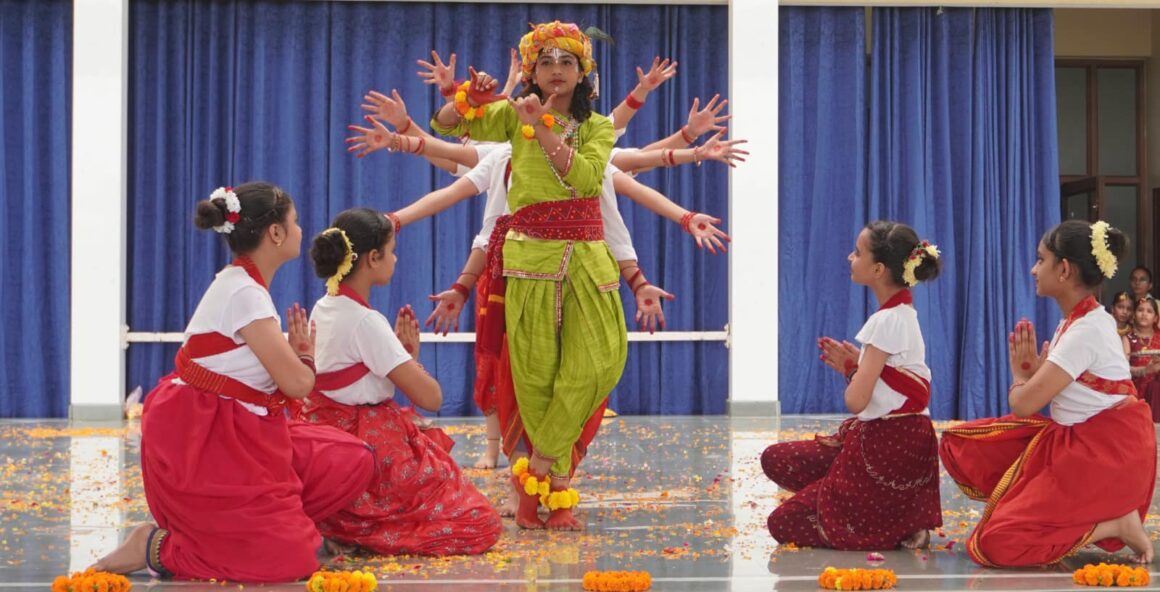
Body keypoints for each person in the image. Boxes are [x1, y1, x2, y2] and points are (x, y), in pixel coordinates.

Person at [92, 183, 375, 582]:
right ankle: (158, 547)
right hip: (201, 443)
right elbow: (297, 384)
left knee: (350, 459)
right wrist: (305, 354)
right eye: (294, 223)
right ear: (274, 233)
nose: (300, 230)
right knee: (291, 563)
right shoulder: (244, 291)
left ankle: (262, 528)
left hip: (240, 433)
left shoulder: (244, 285)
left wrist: (296, 354)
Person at [940, 220, 1154, 567]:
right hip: (1084, 443)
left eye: (1041, 260)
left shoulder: (1084, 331)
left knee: (995, 545)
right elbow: (1070, 388)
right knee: (963, 445)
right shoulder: (1079, 321)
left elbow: (1023, 404)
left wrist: (1019, 377)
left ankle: (1112, 522)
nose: (1033, 269)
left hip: (1102, 456)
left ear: (1064, 269)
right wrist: (1035, 374)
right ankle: (1040, 512)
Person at [299, 208, 502, 555]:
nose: (395, 258)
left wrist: (398, 356)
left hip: (324, 437)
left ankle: (342, 527)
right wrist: (411, 359)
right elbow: (432, 398)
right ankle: (362, 534)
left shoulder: (324, 306)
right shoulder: (367, 322)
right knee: (481, 523)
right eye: (391, 251)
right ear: (372, 258)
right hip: (367, 448)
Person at [762, 220, 943, 550]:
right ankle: (882, 510)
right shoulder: (901, 313)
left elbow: (856, 401)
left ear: (876, 269)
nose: (850, 257)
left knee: (783, 522)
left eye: (857, 253)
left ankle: (885, 521)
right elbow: (886, 380)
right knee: (777, 457)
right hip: (901, 441)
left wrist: (851, 371)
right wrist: (858, 365)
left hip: (887, 447)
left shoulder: (885, 321)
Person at [1125, 296, 1160, 422]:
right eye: (1140, 310)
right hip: (1136, 389)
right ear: (1134, 315)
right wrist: (1146, 370)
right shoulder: (1127, 338)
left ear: (1156, 318)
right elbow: (1123, 368)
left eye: (1149, 311)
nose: (1144, 314)